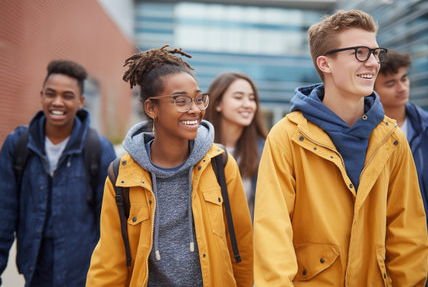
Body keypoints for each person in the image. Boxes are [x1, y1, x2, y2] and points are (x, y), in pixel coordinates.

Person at [253, 9, 428, 286]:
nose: (372, 63)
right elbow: (272, 234)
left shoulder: (393, 139)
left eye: (375, 53)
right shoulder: (286, 137)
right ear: (325, 63)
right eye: (360, 52)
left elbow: (408, 236)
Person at [86, 45, 253, 286]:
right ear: (152, 108)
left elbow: (242, 248)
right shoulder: (121, 175)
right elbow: (110, 262)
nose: (195, 109)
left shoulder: (220, 164)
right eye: (181, 100)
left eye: (197, 99)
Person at [0, 59, 116, 286]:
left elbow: (111, 225)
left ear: (81, 101)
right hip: (34, 275)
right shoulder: (18, 145)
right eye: (51, 94)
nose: (57, 102)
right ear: (41, 94)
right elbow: (3, 216)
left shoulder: (98, 149)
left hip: (83, 277)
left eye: (68, 96)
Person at [374, 50, 428, 287]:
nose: (401, 87)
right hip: (378, 244)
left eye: (404, 79)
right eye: (390, 83)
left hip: (427, 245)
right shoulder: (364, 130)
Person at [204, 73, 267, 218]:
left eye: (252, 99)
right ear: (218, 104)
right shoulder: (196, 150)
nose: (247, 104)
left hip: (246, 238)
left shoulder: (263, 152)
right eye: (238, 97)